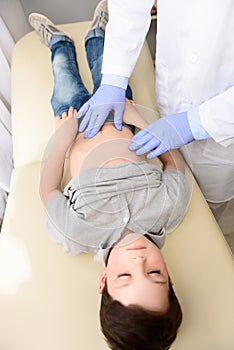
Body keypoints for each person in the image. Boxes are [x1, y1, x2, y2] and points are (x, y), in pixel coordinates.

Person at [29, 4, 189, 349]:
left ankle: (58, 44)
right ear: (170, 278)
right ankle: (99, 32)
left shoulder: (77, 235)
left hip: (73, 123)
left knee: (64, 77)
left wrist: (66, 131)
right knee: (110, 66)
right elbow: (174, 163)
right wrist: (136, 117)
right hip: (120, 114)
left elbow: (48, 189)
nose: (138, 260)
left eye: (125, 276)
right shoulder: (169, 211)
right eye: (155, 274)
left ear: (103, 281)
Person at [77, 0, 234, 221]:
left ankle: (64, 43)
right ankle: (92, 33)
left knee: (210, 202)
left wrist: (194, 123)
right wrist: (113, 80)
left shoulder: (88, 219)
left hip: (224, 124)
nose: (140, 257)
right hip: (167, 96)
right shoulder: (161, 213)